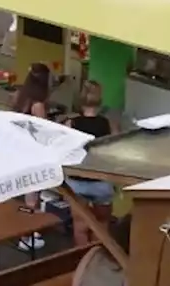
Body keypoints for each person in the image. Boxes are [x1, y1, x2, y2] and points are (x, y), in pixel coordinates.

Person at [65, 81, 116, 248]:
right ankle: (97, 260)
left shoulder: (71, 125)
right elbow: (114, 151)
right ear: (100, 100)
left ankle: (82, 261)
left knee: (80, 227)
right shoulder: (108, 124)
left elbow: (65, 151)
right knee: (102, 225)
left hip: (78, 180)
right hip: (101, 180)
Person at [14, 62, 53, 251]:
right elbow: (44, 130)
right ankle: (26, 235)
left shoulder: (21, 97)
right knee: (32, 198)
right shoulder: (38, 105)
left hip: (22, 151)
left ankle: (27, 232)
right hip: (34, 154)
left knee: (28, 196)